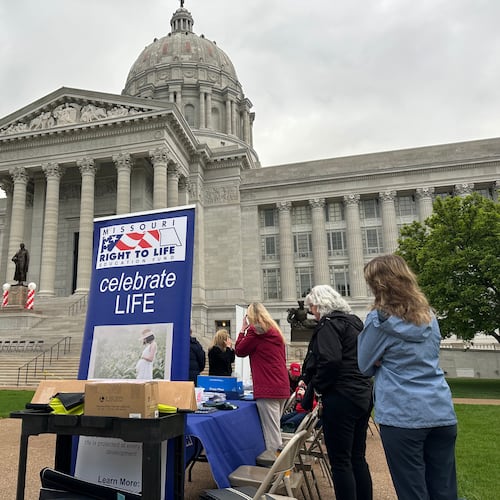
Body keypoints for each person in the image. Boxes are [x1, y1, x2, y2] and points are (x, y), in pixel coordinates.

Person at [358, 254, 458, 500]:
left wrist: (381, 359)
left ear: (377, 285)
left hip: (402, 415)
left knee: (412, 492)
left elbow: (363, 364)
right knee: (444, 492)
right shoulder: (429, 316)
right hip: (440, 410)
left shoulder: (379, 320)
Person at [303, 285, 373, 500]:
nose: (311, 313)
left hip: (341, 395)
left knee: (340, 460)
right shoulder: (355, 323)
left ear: (319, 305)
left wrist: (320, 387)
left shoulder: (329, 325)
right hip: (362, 393)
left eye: (312, 307)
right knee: (357, 457)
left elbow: (330, 360)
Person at [235, 302, 290, 453]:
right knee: (274, 429)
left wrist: (242, 330)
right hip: (281, 386)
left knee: (272, 436)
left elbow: (239, 350)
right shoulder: (275, 331)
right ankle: (281, 471)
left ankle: (275, 471)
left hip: (268, 387)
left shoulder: (256, 331)